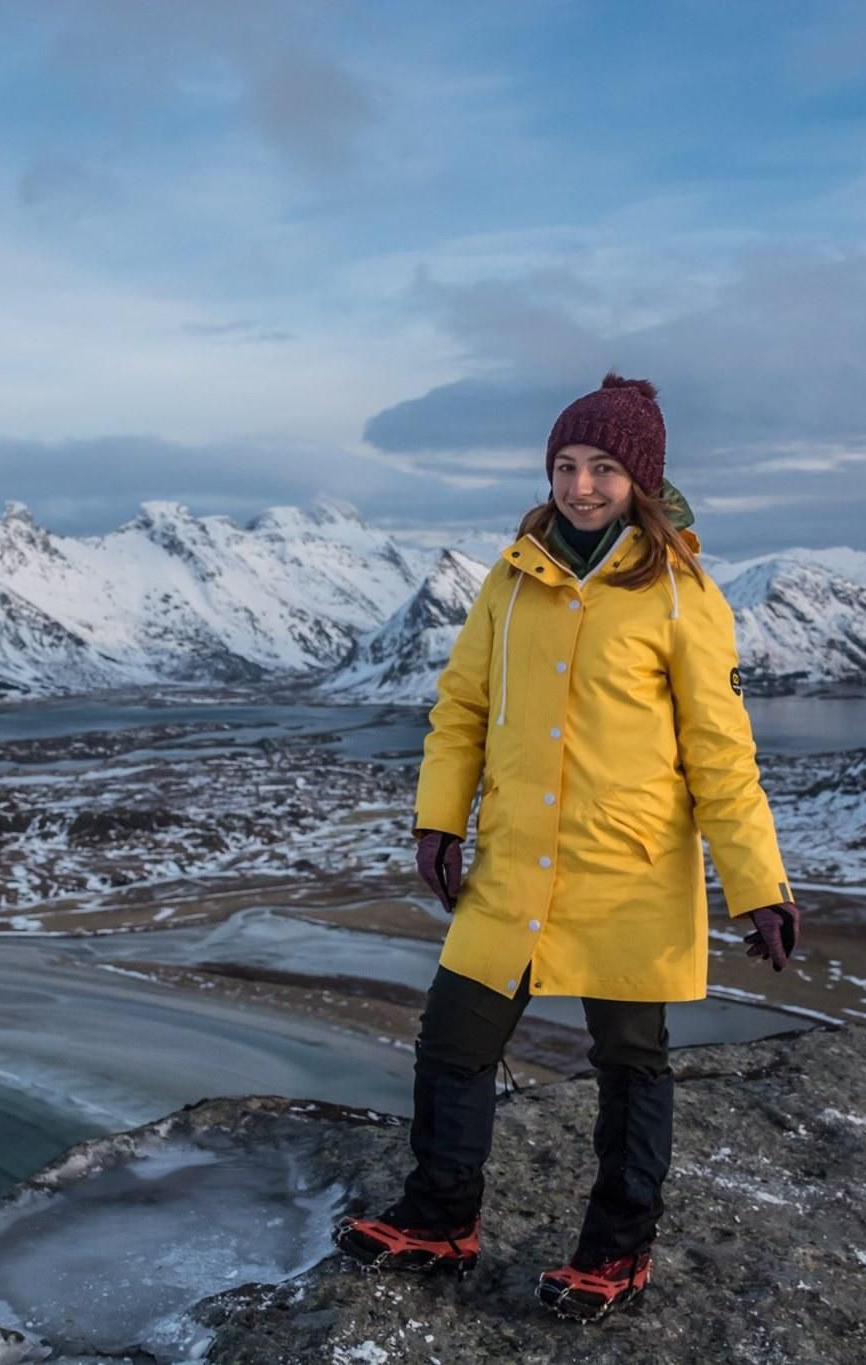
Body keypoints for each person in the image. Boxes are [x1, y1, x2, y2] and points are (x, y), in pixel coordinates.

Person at [333, 372, 801, 1323]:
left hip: (627, 864)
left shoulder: (681, 592)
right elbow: (462, 707)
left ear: (642, 480)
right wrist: (438, 819)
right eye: (565, 465)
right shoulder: (512, 579)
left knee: (630, 1060)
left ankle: (616, 1254)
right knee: (453, 1040)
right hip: (515, 859)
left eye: (603, 467)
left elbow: (720, 751)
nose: (581, 485)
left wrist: (758, 883)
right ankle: (439, 1220)